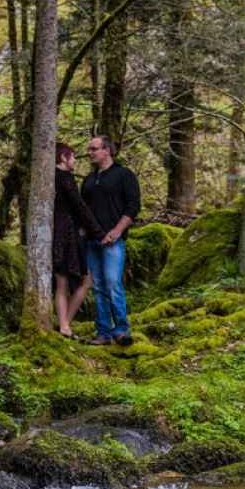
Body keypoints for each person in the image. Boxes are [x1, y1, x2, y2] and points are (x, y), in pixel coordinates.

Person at [81, 135, 141, 346]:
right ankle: (104, 332)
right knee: (97, 287)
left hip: (113, 241)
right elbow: (83, 210)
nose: (90, 152)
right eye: (89, 149)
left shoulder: (124, 175)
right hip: (91, 241)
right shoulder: (88, 179)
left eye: (94, 149)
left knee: (113, 283)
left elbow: (133, 207)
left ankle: (122, 330)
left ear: (107, 150)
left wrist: (116, 231)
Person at [53, 142, 106, 338]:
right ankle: (65, 326)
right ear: (63, 157)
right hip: (67, 235)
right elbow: (80, 208)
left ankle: (64, 325)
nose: (75, 160)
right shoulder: (66, 179)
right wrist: (100, 233)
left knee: (62, 283)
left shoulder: (49, 178)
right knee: (85, 281)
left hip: (56, 234)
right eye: (72, 156)